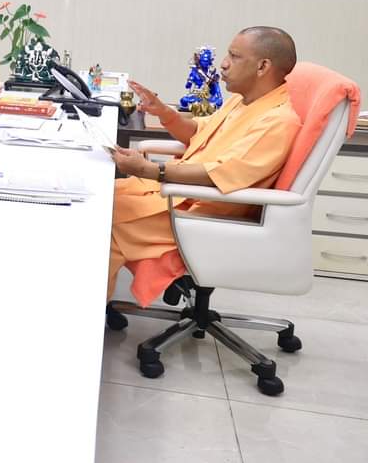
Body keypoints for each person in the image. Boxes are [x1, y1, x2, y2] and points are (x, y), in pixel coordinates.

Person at [107, 27, 302, 312]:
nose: (223, 64)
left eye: (234, 56)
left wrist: (151, 170)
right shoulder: (243, 101)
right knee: (98, 198)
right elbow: (200, 133)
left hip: (201, 213)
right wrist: (164, 112)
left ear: (263, 66)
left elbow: (218, 174)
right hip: (176, 194)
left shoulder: (278, 121)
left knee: (101, 225)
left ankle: (83, 318)